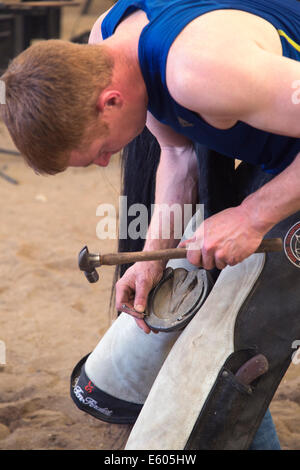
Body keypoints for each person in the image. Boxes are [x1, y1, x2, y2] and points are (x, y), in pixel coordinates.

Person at [2, 0, 300, 449]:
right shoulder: (109, 40)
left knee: (247, 329)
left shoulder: (203, 70)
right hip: (284, 147)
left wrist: (253, 215)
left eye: (101, 150)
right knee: (219, 322)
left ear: (111, 101)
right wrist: (148, 258)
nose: (107, 160)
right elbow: (179, 156)